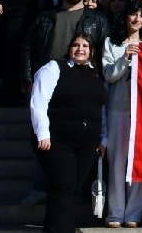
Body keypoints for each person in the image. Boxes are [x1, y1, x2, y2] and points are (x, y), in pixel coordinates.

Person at [30, 35, 108, 233]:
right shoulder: (54, 68)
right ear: (69, 47)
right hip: (56, 139)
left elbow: (102, 110)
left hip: (87, 141)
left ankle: (53, 228)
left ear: (92, 51)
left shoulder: (95, 73)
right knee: (63, 184)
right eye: (75, 45)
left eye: (85, 46)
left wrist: (103, 138)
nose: (80, 49)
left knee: (72, 187)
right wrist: (42, 134)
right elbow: (38, 102)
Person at [102, 4, 142, 228]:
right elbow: (109, 75)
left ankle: (133, 213)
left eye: (141, 16)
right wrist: (125, 57)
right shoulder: (110, 44)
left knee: (138, 162)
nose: (137, 19)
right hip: (117, 108)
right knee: (117, 162)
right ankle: (114, 213)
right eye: (133, 14)